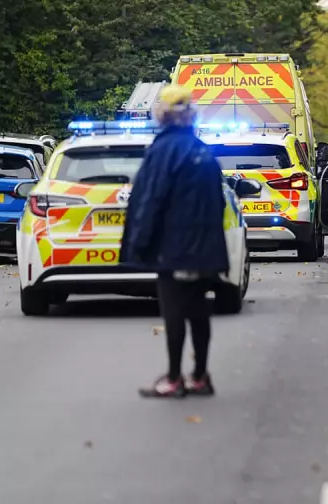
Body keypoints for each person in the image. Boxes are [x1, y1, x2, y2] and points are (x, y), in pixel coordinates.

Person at [120, 85, 229, 399]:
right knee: (198, 311)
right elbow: (218, 202)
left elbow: (150, 199)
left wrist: (138, 244)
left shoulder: (162, 151)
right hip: (203, 249)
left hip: (172, 247)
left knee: (174, 312)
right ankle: (200, 376)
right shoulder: (202, 151)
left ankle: (173, 378)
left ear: (162, 115)